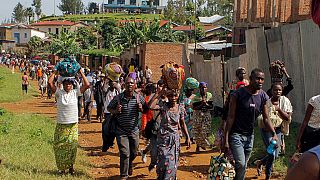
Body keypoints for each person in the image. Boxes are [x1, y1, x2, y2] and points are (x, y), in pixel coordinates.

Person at [223, 68, 278, 180]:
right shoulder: (238, 94)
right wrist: (226, 139)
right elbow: (231, 117)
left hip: (249, 136)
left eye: (262, 79)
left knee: (243, 165)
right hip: (236, 135)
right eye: (257, 78)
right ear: (251, 79)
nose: (260, 81)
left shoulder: (263, 96)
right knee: (241, 164)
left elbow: (266, 118)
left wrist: (274, 133)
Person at [48, 68, 90, 175]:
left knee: (72, 146)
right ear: (63, 84)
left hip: (73, 125)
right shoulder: (59, 93)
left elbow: (87, 85)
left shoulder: (76, 93)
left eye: (70, 84)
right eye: (66, 84)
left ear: (72, 85)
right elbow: (49, 82)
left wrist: (80, 72)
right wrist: (55, 71)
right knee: (60, 146)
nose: (68, 86)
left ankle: (71, 167)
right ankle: (62, 168)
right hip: (61, 124)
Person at [107, 73, 148, 180]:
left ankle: (130, 163)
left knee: (133, 152)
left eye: (131, 83)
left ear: (135, 85)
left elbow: (146, 110)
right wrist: (116, 111)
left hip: (134, 130)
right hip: (121, 130)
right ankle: (123, 175)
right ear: (124, 85)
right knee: (124, 153)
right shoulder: (118, 98)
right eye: (127, 83)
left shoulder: (139, 98)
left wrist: (141, 109)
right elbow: (109, 108)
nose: (129, 84)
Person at [149, 88, 191, 180]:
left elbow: (183, 123)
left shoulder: (180, 108)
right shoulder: (163, 106)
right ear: (167, 96)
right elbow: (151, 106)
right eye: (171, 96)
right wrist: (159, 93)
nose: (173, 98)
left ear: (178, 96)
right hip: (163, 139)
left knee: (171, 164)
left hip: (174, 140)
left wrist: (187, 137)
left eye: (175, 95)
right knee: (163, 161)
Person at [256, 82, 293, 179]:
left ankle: (260, 162)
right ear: (271, 91)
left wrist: (279, 110)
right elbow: (265, 119)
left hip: (278, 130)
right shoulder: (266, 103)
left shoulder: (285, 101)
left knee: (275, 155)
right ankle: (268, 175)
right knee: (271, 153)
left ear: (282, 91)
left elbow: (287, 117)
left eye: (280, 90)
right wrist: (272, 134)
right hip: (267, 130)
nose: (278, 92)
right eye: (275, 90)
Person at [192, 82, 213, 152]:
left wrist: (206, 104)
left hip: (206, 115)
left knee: (205, 130)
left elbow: (211, 106)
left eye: (204, 87)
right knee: (198, 130)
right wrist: (201, 104)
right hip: (198, 115)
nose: (203, 89)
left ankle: (203, 144)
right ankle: (198, 146)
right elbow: (194, 108)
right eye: (202, 87)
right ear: (199, 88)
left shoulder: (209, 95)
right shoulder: (196, 97)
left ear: (206, 88)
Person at [102, 76, 121, 152]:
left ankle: (110, 142)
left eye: (114, 82)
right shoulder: (106, 91)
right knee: (106, 129)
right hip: (107, 113)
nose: (113, 83)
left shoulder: (117, 92)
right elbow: (103, 88)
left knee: (113, 129)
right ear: (109, 84)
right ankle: (105, 144)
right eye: (111, 82)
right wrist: (106, 79)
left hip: (115, 113)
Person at [179, 77, 199, 144]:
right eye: (190, 90)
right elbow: (181, 105)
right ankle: (188, 138)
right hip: (185, 114)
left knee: (193, 127)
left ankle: (192, 138)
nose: (191, 91)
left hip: (193, 114)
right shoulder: (182, 96)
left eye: (192, 90)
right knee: (186, 127)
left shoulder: (194, 96)